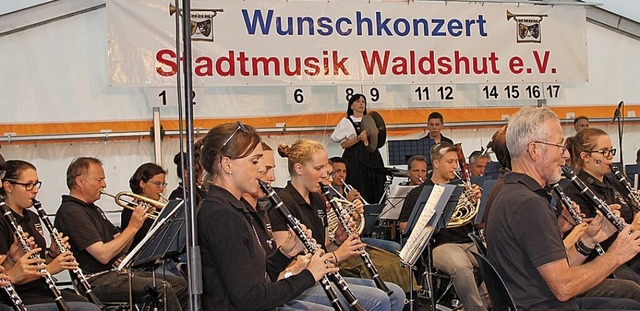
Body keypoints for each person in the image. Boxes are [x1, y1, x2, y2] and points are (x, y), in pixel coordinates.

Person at [486, 106, 640, 310]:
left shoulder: (512, 192)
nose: (566, 155)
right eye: (559, 145)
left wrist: (589, 240)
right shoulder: (528, 204)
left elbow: (556, 269)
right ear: (534, 150)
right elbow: (564, 287)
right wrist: (616, 255)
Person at [196, 123, 336, 311]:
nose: (262, 169)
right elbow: (250, 299)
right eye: (254, 161)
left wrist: (284, 254)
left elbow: (253, 276)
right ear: (227, 165)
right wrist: (308, 276)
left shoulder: (234, 207)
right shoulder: (222, 216)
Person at [270, 139, 406, 311]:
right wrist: (337, 256)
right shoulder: (283, 205)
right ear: (299, 169)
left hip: (324, 276)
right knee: (379, 300)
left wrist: (339, 240)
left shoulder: (318, 199)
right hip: (300, 283)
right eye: (318, 168)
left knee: (396, 294)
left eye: (325, 168)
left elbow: (324, 247)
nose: (325, 175)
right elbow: (286, 265)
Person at [54, 157, 189, 310]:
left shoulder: (93, 209)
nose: (104, 185)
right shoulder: (71, 211)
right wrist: (133, 226)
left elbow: (122, 247)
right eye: (99, 180)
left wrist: (137, 225)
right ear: (79, 181)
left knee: (180, 285)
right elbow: (103, 255)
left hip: (114, 274)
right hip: (94, 281)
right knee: (162, 288)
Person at [0, 160, 100, 311]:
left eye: (36, 184)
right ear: (8, 187)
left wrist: (52, 253)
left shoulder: (33, 217)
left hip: (40, 287)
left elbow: (38, 261)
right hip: (19, 294)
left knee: (88, 302)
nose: (35, 190)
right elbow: (7, 272)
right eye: (28, 185)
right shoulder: (2, 219)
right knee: (87, 308)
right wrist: (51, 269)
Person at [399, 142, 488, 311]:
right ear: (437, 163)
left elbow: (479, 223)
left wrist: (478, 202)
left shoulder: (462, 189)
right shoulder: (419, 193)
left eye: (456, 161)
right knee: (461, 267)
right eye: (450, 161)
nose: (455, 166)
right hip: (440, 245)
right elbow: (404, 227)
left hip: (469, 241)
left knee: (497, 259)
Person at [330, 93, 386, 205]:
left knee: (376, 184)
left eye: (363, 102)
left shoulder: (372, 119)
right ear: (351, 106)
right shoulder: (346, 121)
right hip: (355, 158)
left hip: (372, 156)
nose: (361, 104)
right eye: (357, 101)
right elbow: (343, 144)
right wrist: (359, 138)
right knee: (358, 184)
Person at [121, 162, 166, 250]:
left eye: (163, 184)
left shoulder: (159, 209)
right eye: (157, 184)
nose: (162, 188)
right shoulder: (130, 210)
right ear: (142, 184)